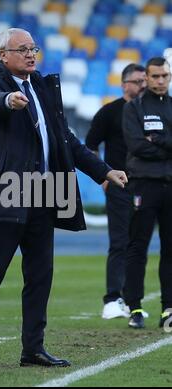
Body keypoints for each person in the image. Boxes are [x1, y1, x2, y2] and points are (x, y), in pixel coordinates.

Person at [0, 28, 127, 368]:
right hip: (5, 191)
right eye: (22, 49)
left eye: (34, 48)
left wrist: (103, 171)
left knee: (40, 275)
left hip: (43, 194)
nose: (31, 54)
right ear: (4, 56)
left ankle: (33, 349)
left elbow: (67, 141)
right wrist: (8, 101)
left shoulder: (41, 86)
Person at [85, 64, 147, 319]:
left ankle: (136, 302)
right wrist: (103, 176)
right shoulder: (110, 112)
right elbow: (90, 146)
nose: (143, 85)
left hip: (149, 185)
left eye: (145, 81)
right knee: (120, 242)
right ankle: (112, 298)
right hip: (120, 185)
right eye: (137, 81)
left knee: (141, 244)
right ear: (124, 85)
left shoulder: (153, 111)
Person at [123, 57, 172, 329]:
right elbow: (137, 145)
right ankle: (135, 308)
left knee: (170, 249)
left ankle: (169, 308)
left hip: (171, 185)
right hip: (144, 184)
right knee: (137, 246)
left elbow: (149, 144)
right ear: (147, 78)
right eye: (155, 76)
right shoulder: (134, 108)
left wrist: (160, 140)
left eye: (164, 76)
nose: (160, 81)